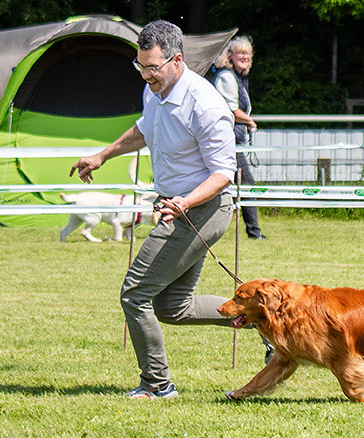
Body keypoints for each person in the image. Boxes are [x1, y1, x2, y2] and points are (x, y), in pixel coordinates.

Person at [69, 20, 262, 401]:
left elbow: (224, 171)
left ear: (176, 60)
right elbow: (145, 128)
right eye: (140, 66)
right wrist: (102, 155)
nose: (146, 75)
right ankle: (262, 321)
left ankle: (157, 385)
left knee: (135, 293)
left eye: (152, 67)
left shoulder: (206, 104)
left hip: (200, 209)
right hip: (178, 207)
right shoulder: (154, 92)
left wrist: (184, 202)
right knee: (172, 306)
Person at [211, 36, 266, 240]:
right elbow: (231, 110)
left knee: (228, 186)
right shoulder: (227, 77)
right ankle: (254, 232)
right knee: (247, 184)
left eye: (248, 53)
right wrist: (250, 122)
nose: (245, 56)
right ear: (230, 56)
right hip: (228, 142)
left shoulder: (239, 78)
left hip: (234, 141)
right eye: (240, 52)